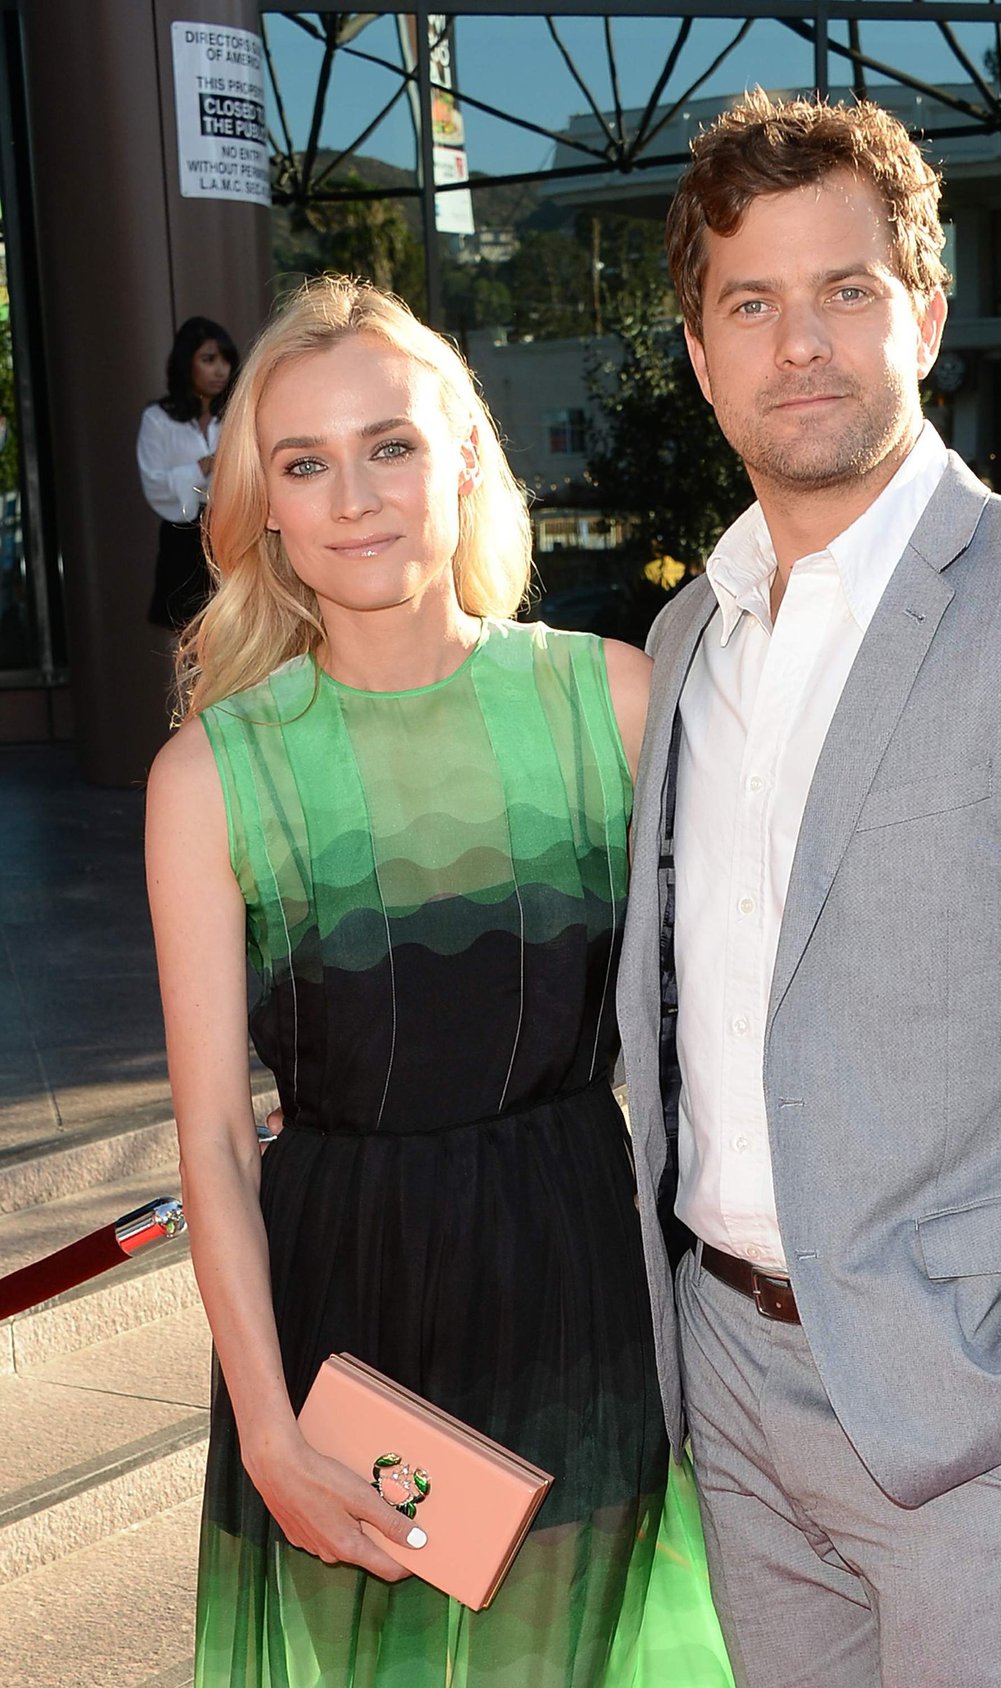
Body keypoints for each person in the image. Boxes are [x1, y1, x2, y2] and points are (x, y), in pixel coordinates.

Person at [617, 92, 1001, 1688]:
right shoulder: (695, 638)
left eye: (845, 290)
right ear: (702, 356)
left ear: (929, 313)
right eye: (750, 305)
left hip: (967, 1410)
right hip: (728, 1386)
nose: (800, 343)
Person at [146, 277, 728, 1687]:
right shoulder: (215, 774)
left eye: (390, 445)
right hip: (349, 1310)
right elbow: (217, 1137)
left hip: (578, 1278)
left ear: (465, 457)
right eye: (305, 462)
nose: (353, 496)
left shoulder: (613, 701)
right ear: (261, 505)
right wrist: (271, 1423)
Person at [137, 316, 239, 629]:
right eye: (209, 359)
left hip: (233, 529)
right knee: (187, 634)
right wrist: (203, 465)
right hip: (183, 537)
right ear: (187, 363)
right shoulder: (159, 419)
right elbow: (154, 481)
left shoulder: (238, 412)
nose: (220, 369)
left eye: (225, 360)